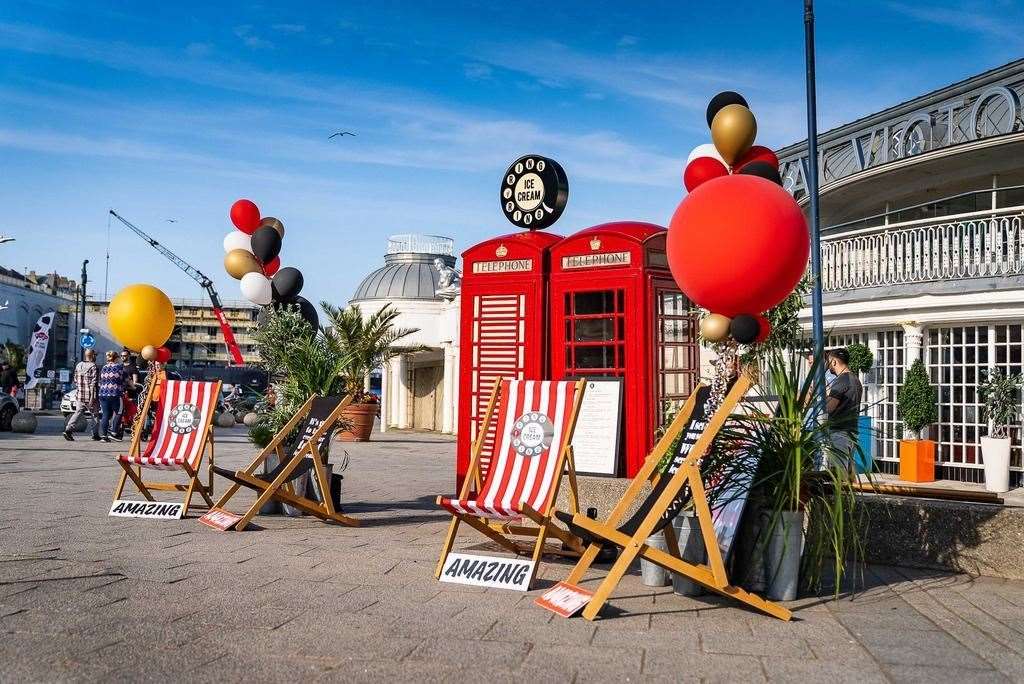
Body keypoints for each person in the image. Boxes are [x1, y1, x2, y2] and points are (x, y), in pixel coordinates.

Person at [825, 348, 863, 465]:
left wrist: (817, 396)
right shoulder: (855, 380)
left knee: (838, 472)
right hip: (852, 431)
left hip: (839, 432)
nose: (828, 366)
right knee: (848, 472)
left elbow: (830, 407)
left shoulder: (841, 380)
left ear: (834, 362)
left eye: (829, 362)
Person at [63, 349, 100, 441]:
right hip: (90, 396)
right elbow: (93, 383)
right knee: (95, 415)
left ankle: (68, 430)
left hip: (79, 395)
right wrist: (92, 398)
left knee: (78, 412)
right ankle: (95, 435)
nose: (95, 357)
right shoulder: (93, 366)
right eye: (95, 355)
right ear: (92, 356)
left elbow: (75, 380)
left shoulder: (78, 365)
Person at [97, 351, 126, 442]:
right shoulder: (119, 367)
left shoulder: (104, 367)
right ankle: (114, 433)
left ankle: (104, 436)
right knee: (119, 412)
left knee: (105, 414)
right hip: (115, 394)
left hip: (103, 394)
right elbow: (126, 379)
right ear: (116, 358)